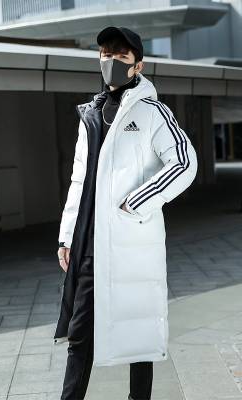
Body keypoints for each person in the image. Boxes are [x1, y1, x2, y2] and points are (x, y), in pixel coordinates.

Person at [55, 26, 198, 400]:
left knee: (139, 336)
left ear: (138, 65)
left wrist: (137, 202)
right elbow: (79, 179)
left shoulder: (153, 113)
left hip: (132, 243)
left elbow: (185, 163)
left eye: (121, 56)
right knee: (80, 334)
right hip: (91, 244)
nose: (112, 62)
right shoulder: (90, 114)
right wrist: (67, 235)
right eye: (107, 55)